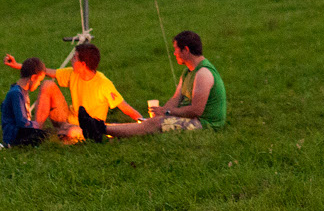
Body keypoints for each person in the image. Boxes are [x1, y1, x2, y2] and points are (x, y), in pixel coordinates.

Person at [77, 30, 226, 142]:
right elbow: (176, 98)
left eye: (176, 49)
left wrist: (167, 114)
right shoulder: (188, 72)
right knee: (152, 121)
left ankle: (98, 128)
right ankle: (99, 127)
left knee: (155, 123)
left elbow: (197, 110)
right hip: (195, 120)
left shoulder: (203, 74)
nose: (174, 53)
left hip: (206, 124)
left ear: (186, 50)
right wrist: (162, 112)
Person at [2, 43, 143, 142]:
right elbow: (45, 73)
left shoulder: (103, 84)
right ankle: (35, 132)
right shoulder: (73, 73)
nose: (71, 59)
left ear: (83, 64)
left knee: (71, 132)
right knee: (48, 84)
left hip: (86, 127)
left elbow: (124, 106)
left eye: (74, 58)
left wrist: (143, 123)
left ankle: (59, 135)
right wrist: (19, 65)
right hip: (67, 118)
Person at [0, 57, 55, 150]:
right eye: (39, 81)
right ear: (33, 77)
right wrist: (36, 125)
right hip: (14, 134)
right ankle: (11, 145)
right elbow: (22, 121)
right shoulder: (16, 93)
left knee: (46, 133)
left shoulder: (21, 91)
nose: (39, 84)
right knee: (45, 134)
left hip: (19, 130)